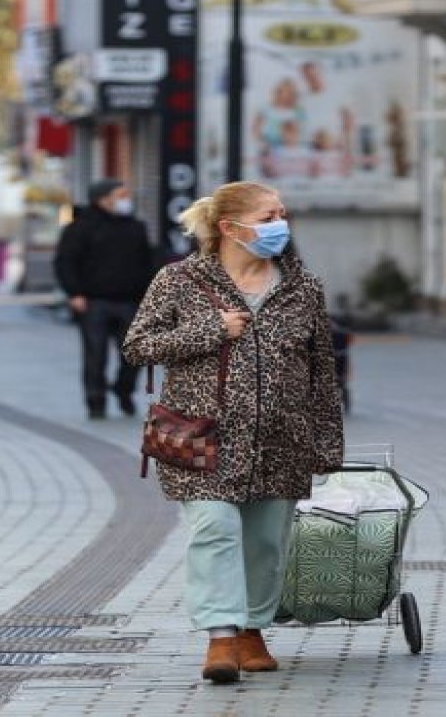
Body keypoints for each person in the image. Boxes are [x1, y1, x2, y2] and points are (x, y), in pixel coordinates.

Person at [121, 180, 344, 684]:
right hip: (203, 436)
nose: (280, 225)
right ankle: (221, 636)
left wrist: (328, 442)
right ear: (229, 227)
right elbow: (138, 346)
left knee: (267, 541)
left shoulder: (301, 286)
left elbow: (322, 370)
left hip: (281, 436)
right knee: (214, 529)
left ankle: (252, 630)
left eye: (282, 214)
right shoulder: (179, 280)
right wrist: (213, 330)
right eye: (268, 217)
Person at [54, 179, 158, 419]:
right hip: (93, 302)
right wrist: (74, 293)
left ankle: (123, 389)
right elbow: (65, 262)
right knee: (95, 355)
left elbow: (148, 263)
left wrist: (151, 295)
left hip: (131, 302)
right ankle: (95, 401)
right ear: (103, 199)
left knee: (135, 353)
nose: (126, 199)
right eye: (121, 195)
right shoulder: (80, 228)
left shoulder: (136, 227)